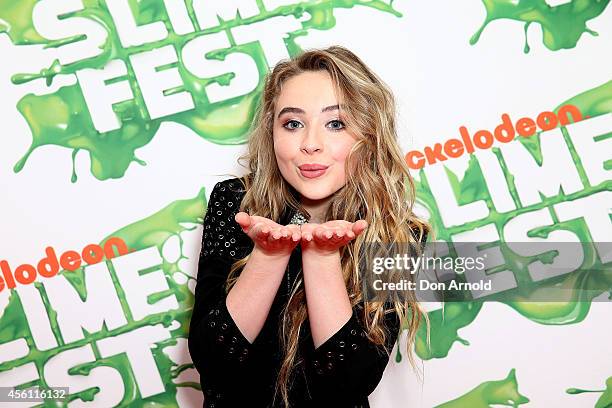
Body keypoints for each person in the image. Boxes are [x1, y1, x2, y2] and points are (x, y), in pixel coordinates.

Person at [188, 45, 429, 408]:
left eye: (336, 123)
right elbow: (214, 364)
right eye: (293, 124)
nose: (310, 144)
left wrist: (321, 257)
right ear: (272, 133)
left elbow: (348, 383)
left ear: (369, 135)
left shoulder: (399, 234)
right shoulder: (235, 202)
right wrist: (269, 256)